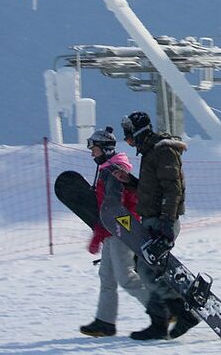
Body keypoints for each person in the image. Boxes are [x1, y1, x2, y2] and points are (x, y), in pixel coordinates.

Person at [118, 111, 200, 341]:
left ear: (139, 132)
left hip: (163, 220)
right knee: (147, 268)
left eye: (129, 137)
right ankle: (159, 323)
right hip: (153, 219)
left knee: (147, 271)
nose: (128, 142)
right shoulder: (151, 152)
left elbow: (172, 189)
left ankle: (183, 313)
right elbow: (154, 189)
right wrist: (131, 182)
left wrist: (165, 223)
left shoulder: (162, 152)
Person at [79, 126, 149, 337]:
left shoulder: (115, 172)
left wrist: (100, 234)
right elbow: (106, 210)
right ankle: (105, 322)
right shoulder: (107, 170)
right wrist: (100, 235)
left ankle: (161, 310)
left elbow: (115, 209)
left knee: (125, 278)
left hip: (121, 231)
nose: (92, 152)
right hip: (112, 231)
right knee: (107, 277)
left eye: (95, 148)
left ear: (106, 149)